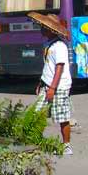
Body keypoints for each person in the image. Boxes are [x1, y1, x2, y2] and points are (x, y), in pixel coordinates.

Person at [28, 12, 74, 156]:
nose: (41, 29)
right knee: (37, 113)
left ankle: (66, 145)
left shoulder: (59, 46)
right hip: (47, 84)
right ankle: (36, 141)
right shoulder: (48, 44)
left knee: (62, 117)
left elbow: (59, 68)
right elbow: (48, 67)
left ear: (50, 29)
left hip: (58, 86)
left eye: (44, 27)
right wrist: (41, 83)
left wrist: (52, 88)